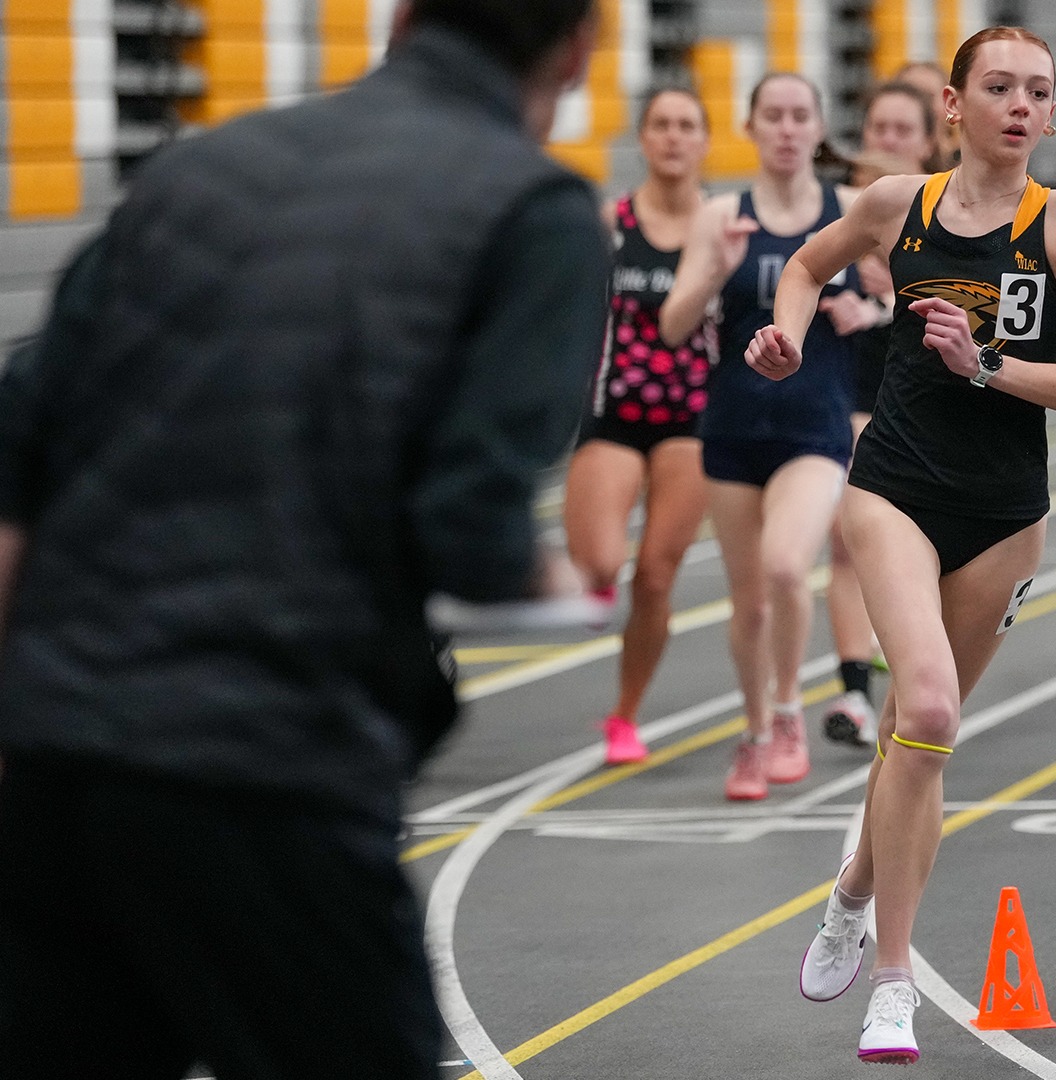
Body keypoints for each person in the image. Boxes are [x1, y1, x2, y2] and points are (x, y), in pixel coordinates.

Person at [0, 2, 608, 1077]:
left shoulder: (202, 169)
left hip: (59, 757)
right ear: (577, 50)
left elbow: (20, 448)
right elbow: (468, 524)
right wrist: (554, 575)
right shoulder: (534, 212)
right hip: (266, 760)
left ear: (403, 20)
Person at [746, 27, 1056, 1064]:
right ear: (955, 104)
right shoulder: (895, 206)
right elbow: (805, 267)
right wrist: (786, 336)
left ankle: (851, 891)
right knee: (926, 706)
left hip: (1006, 512)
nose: (1019, 104)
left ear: (1050, 116)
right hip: (896, 489)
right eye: (998, 86)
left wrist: (989, 363)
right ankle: (895, 983)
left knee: (917, 747)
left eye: (1037, 92)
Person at [658, 72, 876, 801]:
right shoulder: (722, 215)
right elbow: (672, 326)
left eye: (799, 116)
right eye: (772, 116)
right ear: (751, 128)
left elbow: (902, 299)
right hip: (732, 428)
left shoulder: (850, 209)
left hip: (816, 426)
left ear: (818, 130)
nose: (786, 129)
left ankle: (787, 709)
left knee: (789, 566)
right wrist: (715, 270)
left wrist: (869, 315)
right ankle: (753, 732)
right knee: (748, 600)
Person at [563, 86, 717, 765]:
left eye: (687, 125)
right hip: (614, 414)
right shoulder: (610, 223)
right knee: (599, 563)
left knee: (654, 577)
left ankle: (624, 716)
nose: (675, 137)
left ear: (705, 140)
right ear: (644, 139)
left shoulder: (724, 225)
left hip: (693, 419)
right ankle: (594, 580)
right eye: (662, 125)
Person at [820, 81, 942, 748]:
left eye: (903, 130)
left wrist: (889, 299)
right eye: (879, 128)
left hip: (928, 404)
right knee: (847, 539)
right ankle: (854, 693)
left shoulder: (947, 212)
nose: (889, 141)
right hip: (852, 395)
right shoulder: (848, 211)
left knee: (923, 554)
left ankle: (916, 686)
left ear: (928, 141)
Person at [895, 60, 962, 169]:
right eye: (911, 96)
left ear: (950, 103)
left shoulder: (966, 164)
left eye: (928, 96)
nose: (921, 106)